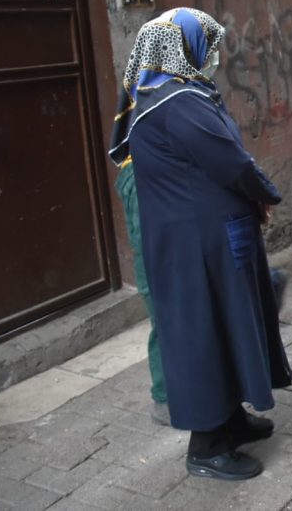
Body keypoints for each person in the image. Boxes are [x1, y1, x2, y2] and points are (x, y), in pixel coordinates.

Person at [108, 8, 292, 480]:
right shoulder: (176, 100)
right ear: (181, 47)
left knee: (226, 325)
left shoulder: (165, 94)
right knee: (206, 333)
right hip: (197, 248)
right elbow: (230, 161)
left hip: (206, 239)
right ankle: (207, 447)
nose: (211, 55)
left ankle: (230, 420)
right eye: (205, 44)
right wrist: (266, 194)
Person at [111, 158, 169, 426]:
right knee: (166, 330)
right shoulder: (139, 174)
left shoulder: (143, 167)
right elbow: (148, 238)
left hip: (161, 266)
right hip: (159, 269)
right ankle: (165, 399)